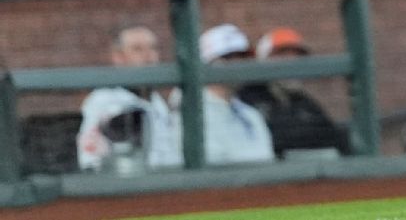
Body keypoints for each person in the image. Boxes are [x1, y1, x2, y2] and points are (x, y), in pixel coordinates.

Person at [77, 26, 181, 172]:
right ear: (118, 57)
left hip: (170, 179)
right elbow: (90, 161)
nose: (148, 56)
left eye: (153, 48)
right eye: (137, 49)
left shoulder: (156, 99)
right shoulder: (105, 99)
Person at [237, 28, 350, 158]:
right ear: (263, 60)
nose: (291, 62)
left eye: (296, 57)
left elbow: (335, 139)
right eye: (282, 56)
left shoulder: (305, 103)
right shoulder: (247, 99)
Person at [177, 24, 275, 166]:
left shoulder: (251, 115)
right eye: (228, 58)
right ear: (206, 63)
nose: (238, 64)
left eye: (243, 57)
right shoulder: (189, 114)